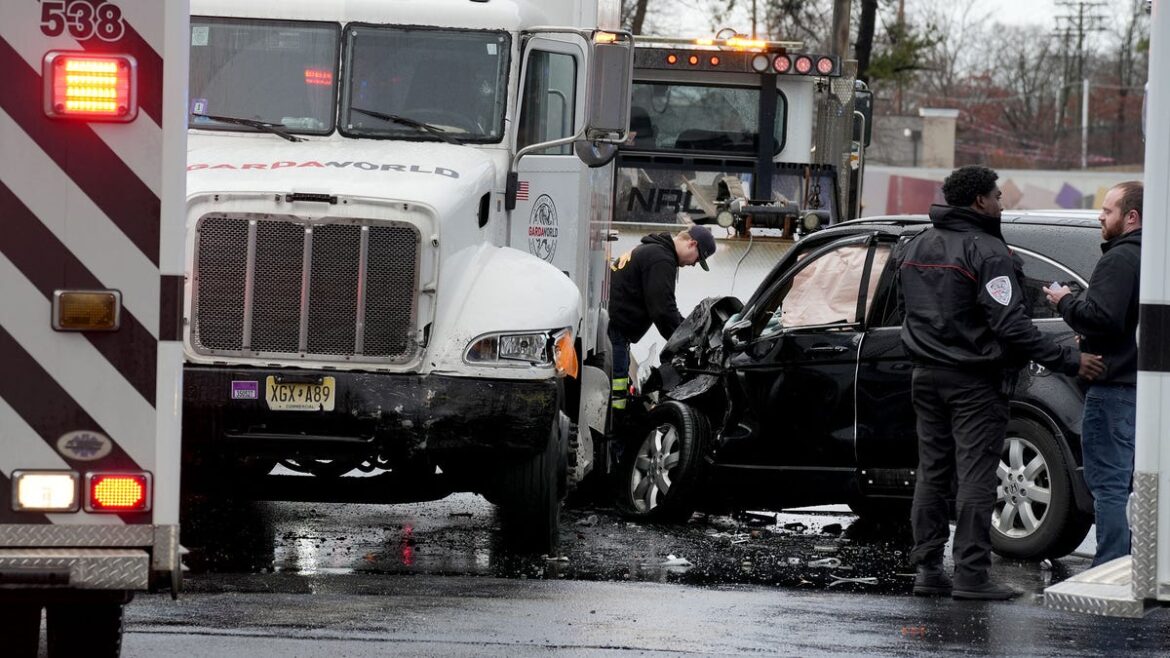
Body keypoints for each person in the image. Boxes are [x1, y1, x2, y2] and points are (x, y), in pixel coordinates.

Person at [896, 165, 1104, 600]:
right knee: (976, 475)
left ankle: (928, 570)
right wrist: (1070, 360)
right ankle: (971, 575)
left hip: (925, 377)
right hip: (974, 381)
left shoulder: (915, 245)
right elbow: (1012, 326)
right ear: (979, 201)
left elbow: (906, 311)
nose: (1001, 203)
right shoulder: (988, 252)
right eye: (997, 196)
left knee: (932, 472)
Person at [1046, 181, 1142, 566]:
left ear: (1131, 216)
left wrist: (1065, 301)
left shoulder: (1119, 258)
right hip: (1144, 387)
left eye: (1108, 210)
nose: (1100, 217)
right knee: (1137, 482)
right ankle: (1138, 562)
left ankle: (1112, 564)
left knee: (1109, 483)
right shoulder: (1157, 258)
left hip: (1113, 387)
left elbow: (1103, 317)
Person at [607, 226, 717, 411]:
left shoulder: (653, 250)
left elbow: (664, 308)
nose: (693, 264)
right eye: (698, 259)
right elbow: (663, 311)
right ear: (692, 244)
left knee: (618, 386)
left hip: (614, 330)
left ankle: (616, 419)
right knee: (617, 393)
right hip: (617, 332)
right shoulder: (661, 259)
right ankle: (615, 423)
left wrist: (687, 329)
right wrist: (686, 342)